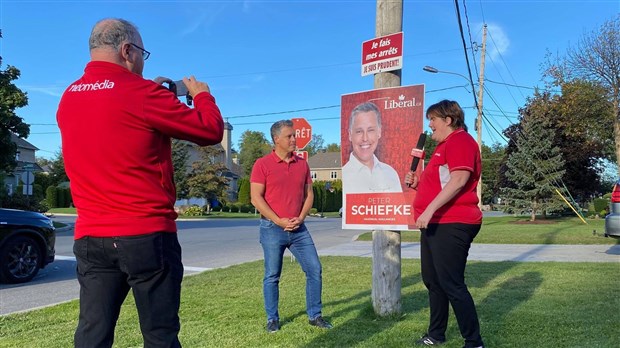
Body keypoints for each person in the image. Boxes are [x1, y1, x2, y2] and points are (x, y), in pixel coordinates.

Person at [56, 18, 224, 348]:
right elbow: (209, 130)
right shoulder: (142, 93)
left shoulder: (68, 97)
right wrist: (202, 96)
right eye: (142, 55)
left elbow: (115, 124)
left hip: (91, 237)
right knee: (159, 335)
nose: (141, 63)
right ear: (127, 49)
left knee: (92, 333)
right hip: (145, 234)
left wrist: (153, 91)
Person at [404, 100, 484, 348]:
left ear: (448, 120)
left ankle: (474, 342)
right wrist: (418, 185)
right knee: (433, 280)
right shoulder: (444, 146)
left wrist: (428, 210)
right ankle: (436, 334)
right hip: (436, 222)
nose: (430, 125)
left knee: (451, 283)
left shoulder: (460, 141)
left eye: (433, 119)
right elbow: (442, 183)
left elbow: (459, 180)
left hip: (454, 221)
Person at [250, 120, 332, 333]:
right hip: (272, 229)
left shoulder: (302, 164)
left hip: (299, 229)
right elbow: (256, 198)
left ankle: (315, 316)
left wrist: (301, 218)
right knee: (272, 275)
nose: (294, 139)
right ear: (276, 139)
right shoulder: (262, 164)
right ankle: (272, 319)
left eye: (294, 135)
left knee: (314, 269)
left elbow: (309, 194)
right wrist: (278, 220)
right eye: (289, 136)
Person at [342, 101, 402, 194]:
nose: (365, 138)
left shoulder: (391, 173)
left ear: (379, 132)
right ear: (350, 135)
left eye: (370, 130)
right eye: (359, 131)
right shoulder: (343, 175)